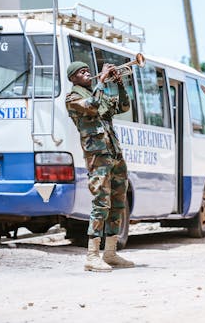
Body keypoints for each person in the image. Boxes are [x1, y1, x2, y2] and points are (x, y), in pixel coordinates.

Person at [65, 61, 134, 272]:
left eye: (88, 70)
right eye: (81, 72)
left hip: (113, 153)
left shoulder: (99, 93)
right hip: (97, 156)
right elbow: (93, 106)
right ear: (73, 78)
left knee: (117, 202)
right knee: (101, 202)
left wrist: (120, 84)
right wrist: (102, 80)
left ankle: (110, 253)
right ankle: (92, 256)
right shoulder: (73, 98)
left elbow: (123, 107)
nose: (87, 73)